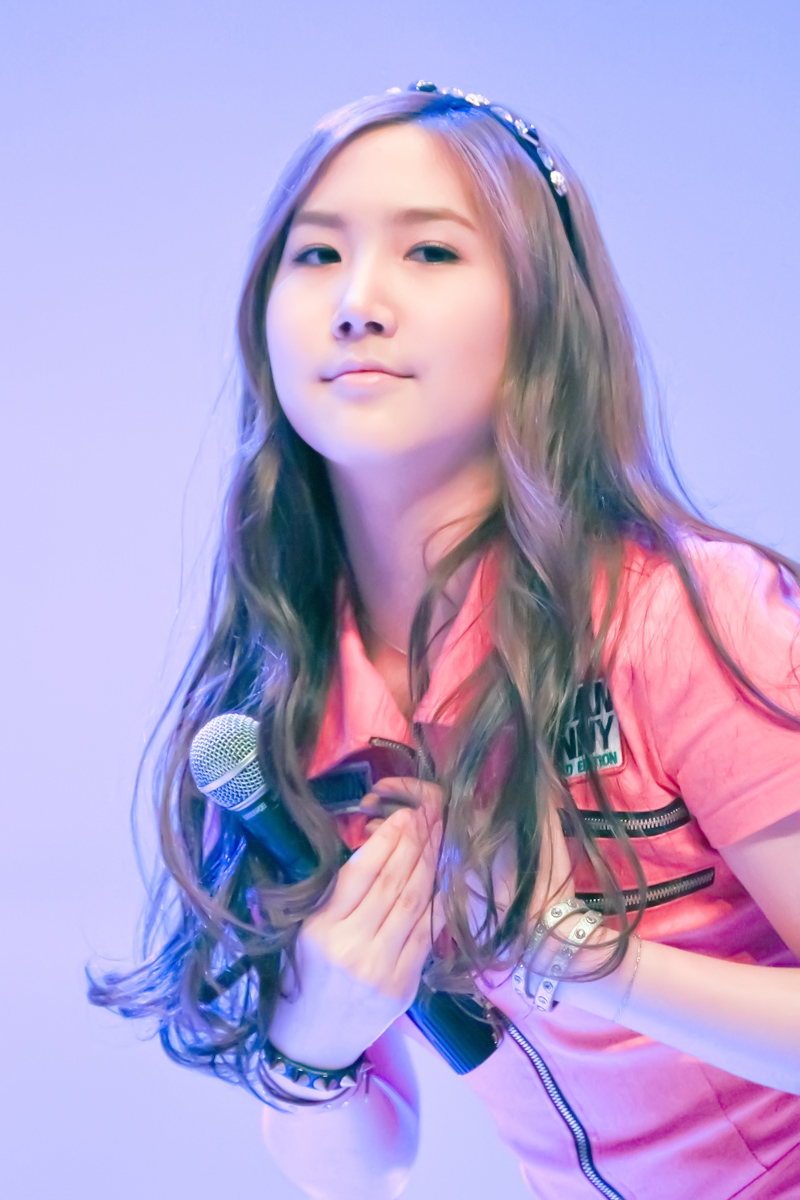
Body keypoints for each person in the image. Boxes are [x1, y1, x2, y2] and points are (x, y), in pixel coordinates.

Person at [90, 84, 800, 1199]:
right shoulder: (289, 710)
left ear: (539, 313)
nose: (357, 304)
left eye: (429, 251)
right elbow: (366, 1167)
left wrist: (586, 959)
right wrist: (317, 1030)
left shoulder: (679, 616)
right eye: (316, 256)